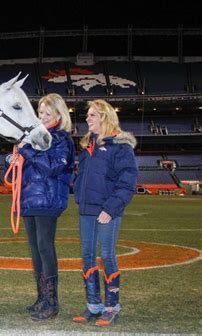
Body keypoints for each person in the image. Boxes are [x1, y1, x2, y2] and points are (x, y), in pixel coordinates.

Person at [6, 93, 74, 321]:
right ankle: (42, 298)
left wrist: (26, 151)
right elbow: (33, 165)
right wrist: (15, 160)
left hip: (48, 199)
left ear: (58, 114)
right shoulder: (37, 135)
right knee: (36, 251)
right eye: (40, 113)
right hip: (30, 199)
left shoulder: (62, 138)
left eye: (47, 113)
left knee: (45, 247)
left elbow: (52, 167)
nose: (42, 117)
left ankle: (52, 303)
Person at [72, 99, 138, 326]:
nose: (87, 118)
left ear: (105, 117)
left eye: (92, 115)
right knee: (88, 256)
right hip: (87, 210)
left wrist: (110, 209)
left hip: (107, 211)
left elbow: (127, 183)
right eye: (88, 115)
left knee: (107, 255)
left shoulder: (121, 147)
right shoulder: (87, 147)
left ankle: (111, 306)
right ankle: (93, 305)